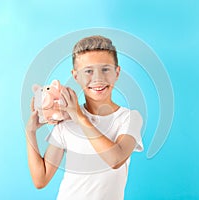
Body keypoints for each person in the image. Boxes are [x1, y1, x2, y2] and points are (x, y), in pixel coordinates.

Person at [26, 35, 144, 200]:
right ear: (76, 76)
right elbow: (41, 179)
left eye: (105, 69)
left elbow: (116, 159)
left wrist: (79, 116)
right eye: (88, 71)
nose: (98, 78)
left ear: (117, 73)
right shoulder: (66, 121)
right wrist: (30, 132)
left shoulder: (129, 118)